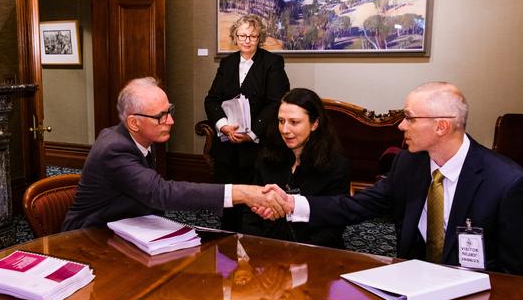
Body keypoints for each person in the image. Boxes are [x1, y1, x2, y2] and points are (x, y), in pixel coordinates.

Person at [256, 82, 523, 275]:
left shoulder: (506, 182)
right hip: (412, 283)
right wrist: (292, 205)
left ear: (441, 127)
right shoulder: (408, 164)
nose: (401, 125)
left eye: (409, 118)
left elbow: (514, 274)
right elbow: (356, 206)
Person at [61, 77, 288, 231]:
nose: (170, 121)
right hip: (88, 239)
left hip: (126, 228)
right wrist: (242, 192)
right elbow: (161, 192)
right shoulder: (114, 149)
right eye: (161, 116)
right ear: (134, 122)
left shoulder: (140, 138)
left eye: (169, 111)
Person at [204, 14, 290, 231]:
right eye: (242, 35)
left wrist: (251, 133)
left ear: (259, 37)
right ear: (235, 36)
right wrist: (223, 125)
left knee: (255, 205)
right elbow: (212, 99)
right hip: (227, 143)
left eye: (252, 36)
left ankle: (253, 243)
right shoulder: (227, 63)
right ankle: (227, 242)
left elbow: (275, 103)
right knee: (228, 200)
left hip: (258, 146)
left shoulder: (272, 63)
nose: (247, 40)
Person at [242, 88, 350, 248]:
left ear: (314, 124)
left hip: (315, 254)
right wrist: (257, 248)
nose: (285, 130)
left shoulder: (336, 165)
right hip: (267, 250)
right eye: (281, 121)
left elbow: (333, 227)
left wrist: (295, 258)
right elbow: (249, 215)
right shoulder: (266, 157)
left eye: (294, 122)